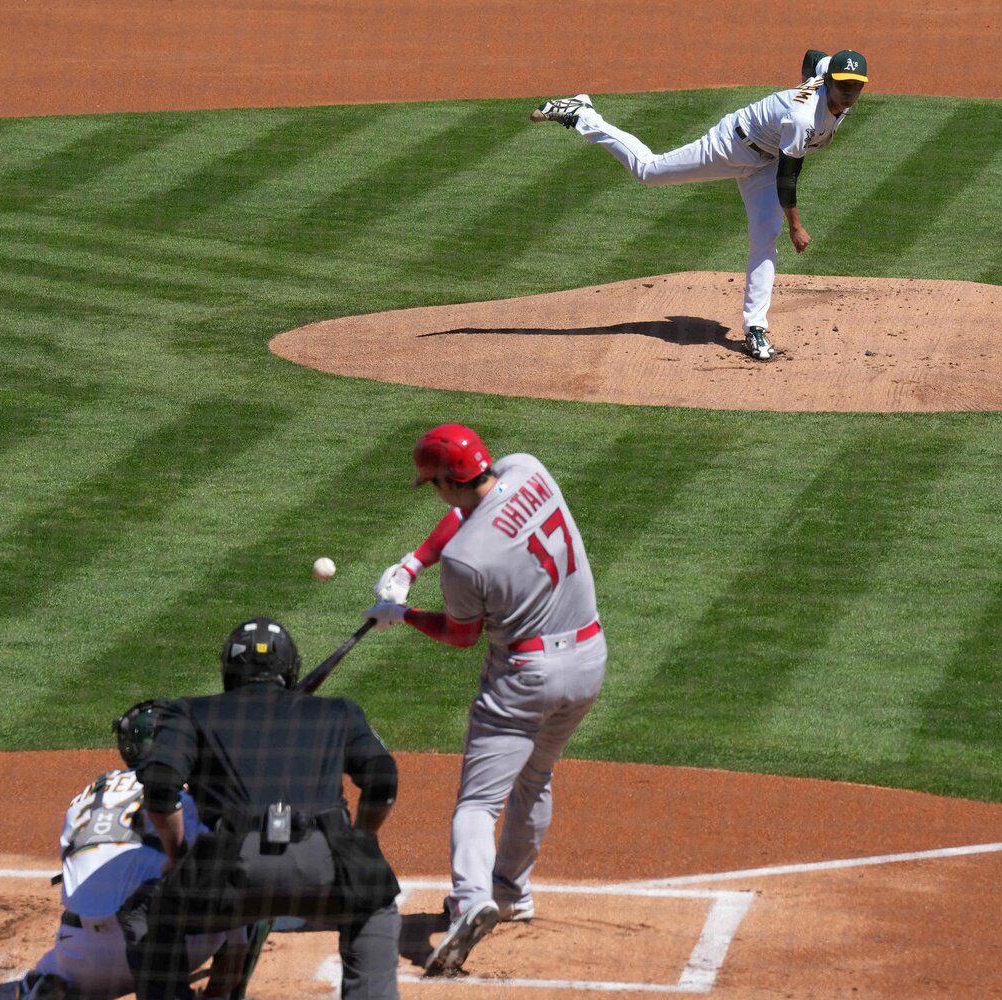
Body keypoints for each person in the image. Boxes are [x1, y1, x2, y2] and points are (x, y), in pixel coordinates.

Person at [367, 423, 605, 977]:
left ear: (447, 481)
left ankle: (471, 899)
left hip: (525, 676)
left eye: (433, 484)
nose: (434, 493)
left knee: (478, 803)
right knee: (536, 778)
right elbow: (471, 509)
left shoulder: (467, 561)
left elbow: (460, 634)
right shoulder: (529, 468)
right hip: (589, 659)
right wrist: (411, 563)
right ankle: (513, 892)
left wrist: (400, 615)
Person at [119, 617, 402, 1000]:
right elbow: (382, 776)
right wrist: (362, 843)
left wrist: (178, 856)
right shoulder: (339, 712)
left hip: (228, 870)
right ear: (290, 670)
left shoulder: (189, 712)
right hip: (326, 862)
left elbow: (160, 784)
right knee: (375, 905)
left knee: (152, 913)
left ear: (228, 670)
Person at [529, 48, 869, 362]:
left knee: (766, 234)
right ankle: (582, 114)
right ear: (829, 82)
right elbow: (789, 177)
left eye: (855, 84)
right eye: (843, 84)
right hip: (732, 145)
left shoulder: (830, 78)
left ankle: (755, 328)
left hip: (765, 163)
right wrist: (797, 225)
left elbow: (814, 57)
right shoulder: (801, 118)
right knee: (649, 171)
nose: (849, 90)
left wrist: (805, 82)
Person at [0, 701, 255, 1000]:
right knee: (247, 870)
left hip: (83, 959)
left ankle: (43, 986)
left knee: (44, 971)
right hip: (174, 949)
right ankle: (222, 994)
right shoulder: (193, 790)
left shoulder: (92, 791)